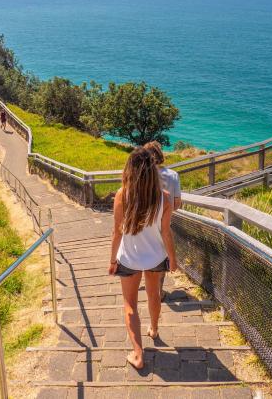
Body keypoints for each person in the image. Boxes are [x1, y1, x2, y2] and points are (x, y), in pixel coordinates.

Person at [108, 147, 178, 370]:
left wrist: (112, 261)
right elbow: (166, 232)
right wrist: (173, 259)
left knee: (130, 304)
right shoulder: (164, 198)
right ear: (152, 171)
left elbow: (117, 232)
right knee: (153, 294)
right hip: (156, 257)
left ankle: (138, 354)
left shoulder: (122, 195)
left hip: (128, 259)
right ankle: (154, 329)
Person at [144, 141, 181, 301]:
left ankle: (150, 288)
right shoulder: (173, 175)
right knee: (162, 255)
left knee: (147, 254)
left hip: (145, 223)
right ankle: (158, 291)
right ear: (160, 155)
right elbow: (177, 204)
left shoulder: (142, 174)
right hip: (164, 222)